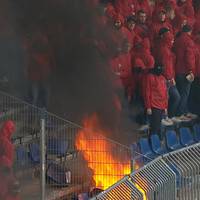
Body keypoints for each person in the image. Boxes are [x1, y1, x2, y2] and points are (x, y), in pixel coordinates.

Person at [155, 28, 181, 123]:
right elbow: (165, 67)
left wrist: (172, 77)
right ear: (168, 40)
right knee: (165, 99)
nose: (173, 41)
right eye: (172, 40)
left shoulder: (167, 49)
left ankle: (170, 116)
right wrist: (169, 78)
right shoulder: (164, 50)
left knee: (175, 97)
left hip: (170, 78)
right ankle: (164, 118)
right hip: (165, 79)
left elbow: (170, 66)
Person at [174, 25, 196, 119]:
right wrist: (191, 70)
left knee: (179, 92)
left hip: (177, 70)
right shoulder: (189, 42)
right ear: (189, 31)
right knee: (185, 93)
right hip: (185, 71)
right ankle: (181, 113)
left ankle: (178, 112)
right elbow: (189, 57)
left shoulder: (177, 40)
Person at [144, 65, 168, 137]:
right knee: (155, 126)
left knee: (159, 125)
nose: (160, 71)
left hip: (162, 105)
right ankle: (152, 141)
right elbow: (147, 92)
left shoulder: (163, 78)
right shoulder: (150, 77)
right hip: (154, 105)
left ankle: (157, 140)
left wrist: (165, 107)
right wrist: (148, 107)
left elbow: (165, 93)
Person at [0, 120, 20, 200]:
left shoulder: (5, 140)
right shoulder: (6, 143)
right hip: (5, 170)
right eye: (11, 129)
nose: (12, 132)